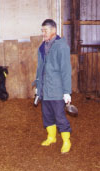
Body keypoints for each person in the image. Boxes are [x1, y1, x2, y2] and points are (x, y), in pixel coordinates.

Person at [34, 19, 72, 154]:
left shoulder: (61, 47)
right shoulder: (42, 47)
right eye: (42, 30)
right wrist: (38, 85)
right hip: (45, 88)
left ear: (54, 30)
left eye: (46, 30)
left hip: (57, 89)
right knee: (47, 115)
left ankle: (66, 141)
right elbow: (40, 68)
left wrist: (67, 92)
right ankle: (51, 137)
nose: (43, 33)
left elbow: (66, 70)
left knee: (60, 116)